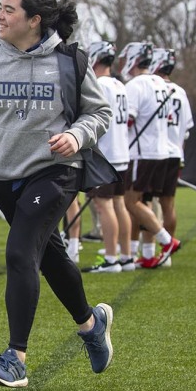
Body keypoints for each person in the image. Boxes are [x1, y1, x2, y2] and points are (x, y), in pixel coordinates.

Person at [0, 0, 114, 388]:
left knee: (21, 251)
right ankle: (91, 324)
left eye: (9, 9)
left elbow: (99, 114)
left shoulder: (69, 61)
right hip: (2, 173)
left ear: (35, 20)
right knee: (51, 258)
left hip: (57, 171)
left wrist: (76, 136)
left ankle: (15, 358)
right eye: (0, 7)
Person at [118, 41, 181, 268]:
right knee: (145, 202)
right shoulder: (160, 84)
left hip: (142, 153)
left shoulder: (135, 85)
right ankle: (146, 253)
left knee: (131, 202)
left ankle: (166, 240)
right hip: (161, 152)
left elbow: (129, 119)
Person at [81, 41, 133, 273]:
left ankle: (111, 258)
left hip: (106, 154)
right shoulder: (119, 85)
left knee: (105, 207)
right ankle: (127, 256)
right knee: (120, 205)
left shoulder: (100, 84)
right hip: (122, 151)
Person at [152, 48, 193, 263]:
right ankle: (166, 253)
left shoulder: (152, 87)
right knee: (168, 204)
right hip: (175, 152)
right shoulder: (180, 92)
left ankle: (150, 249)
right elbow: (186, 129)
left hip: (155, 152)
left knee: (143, 201)